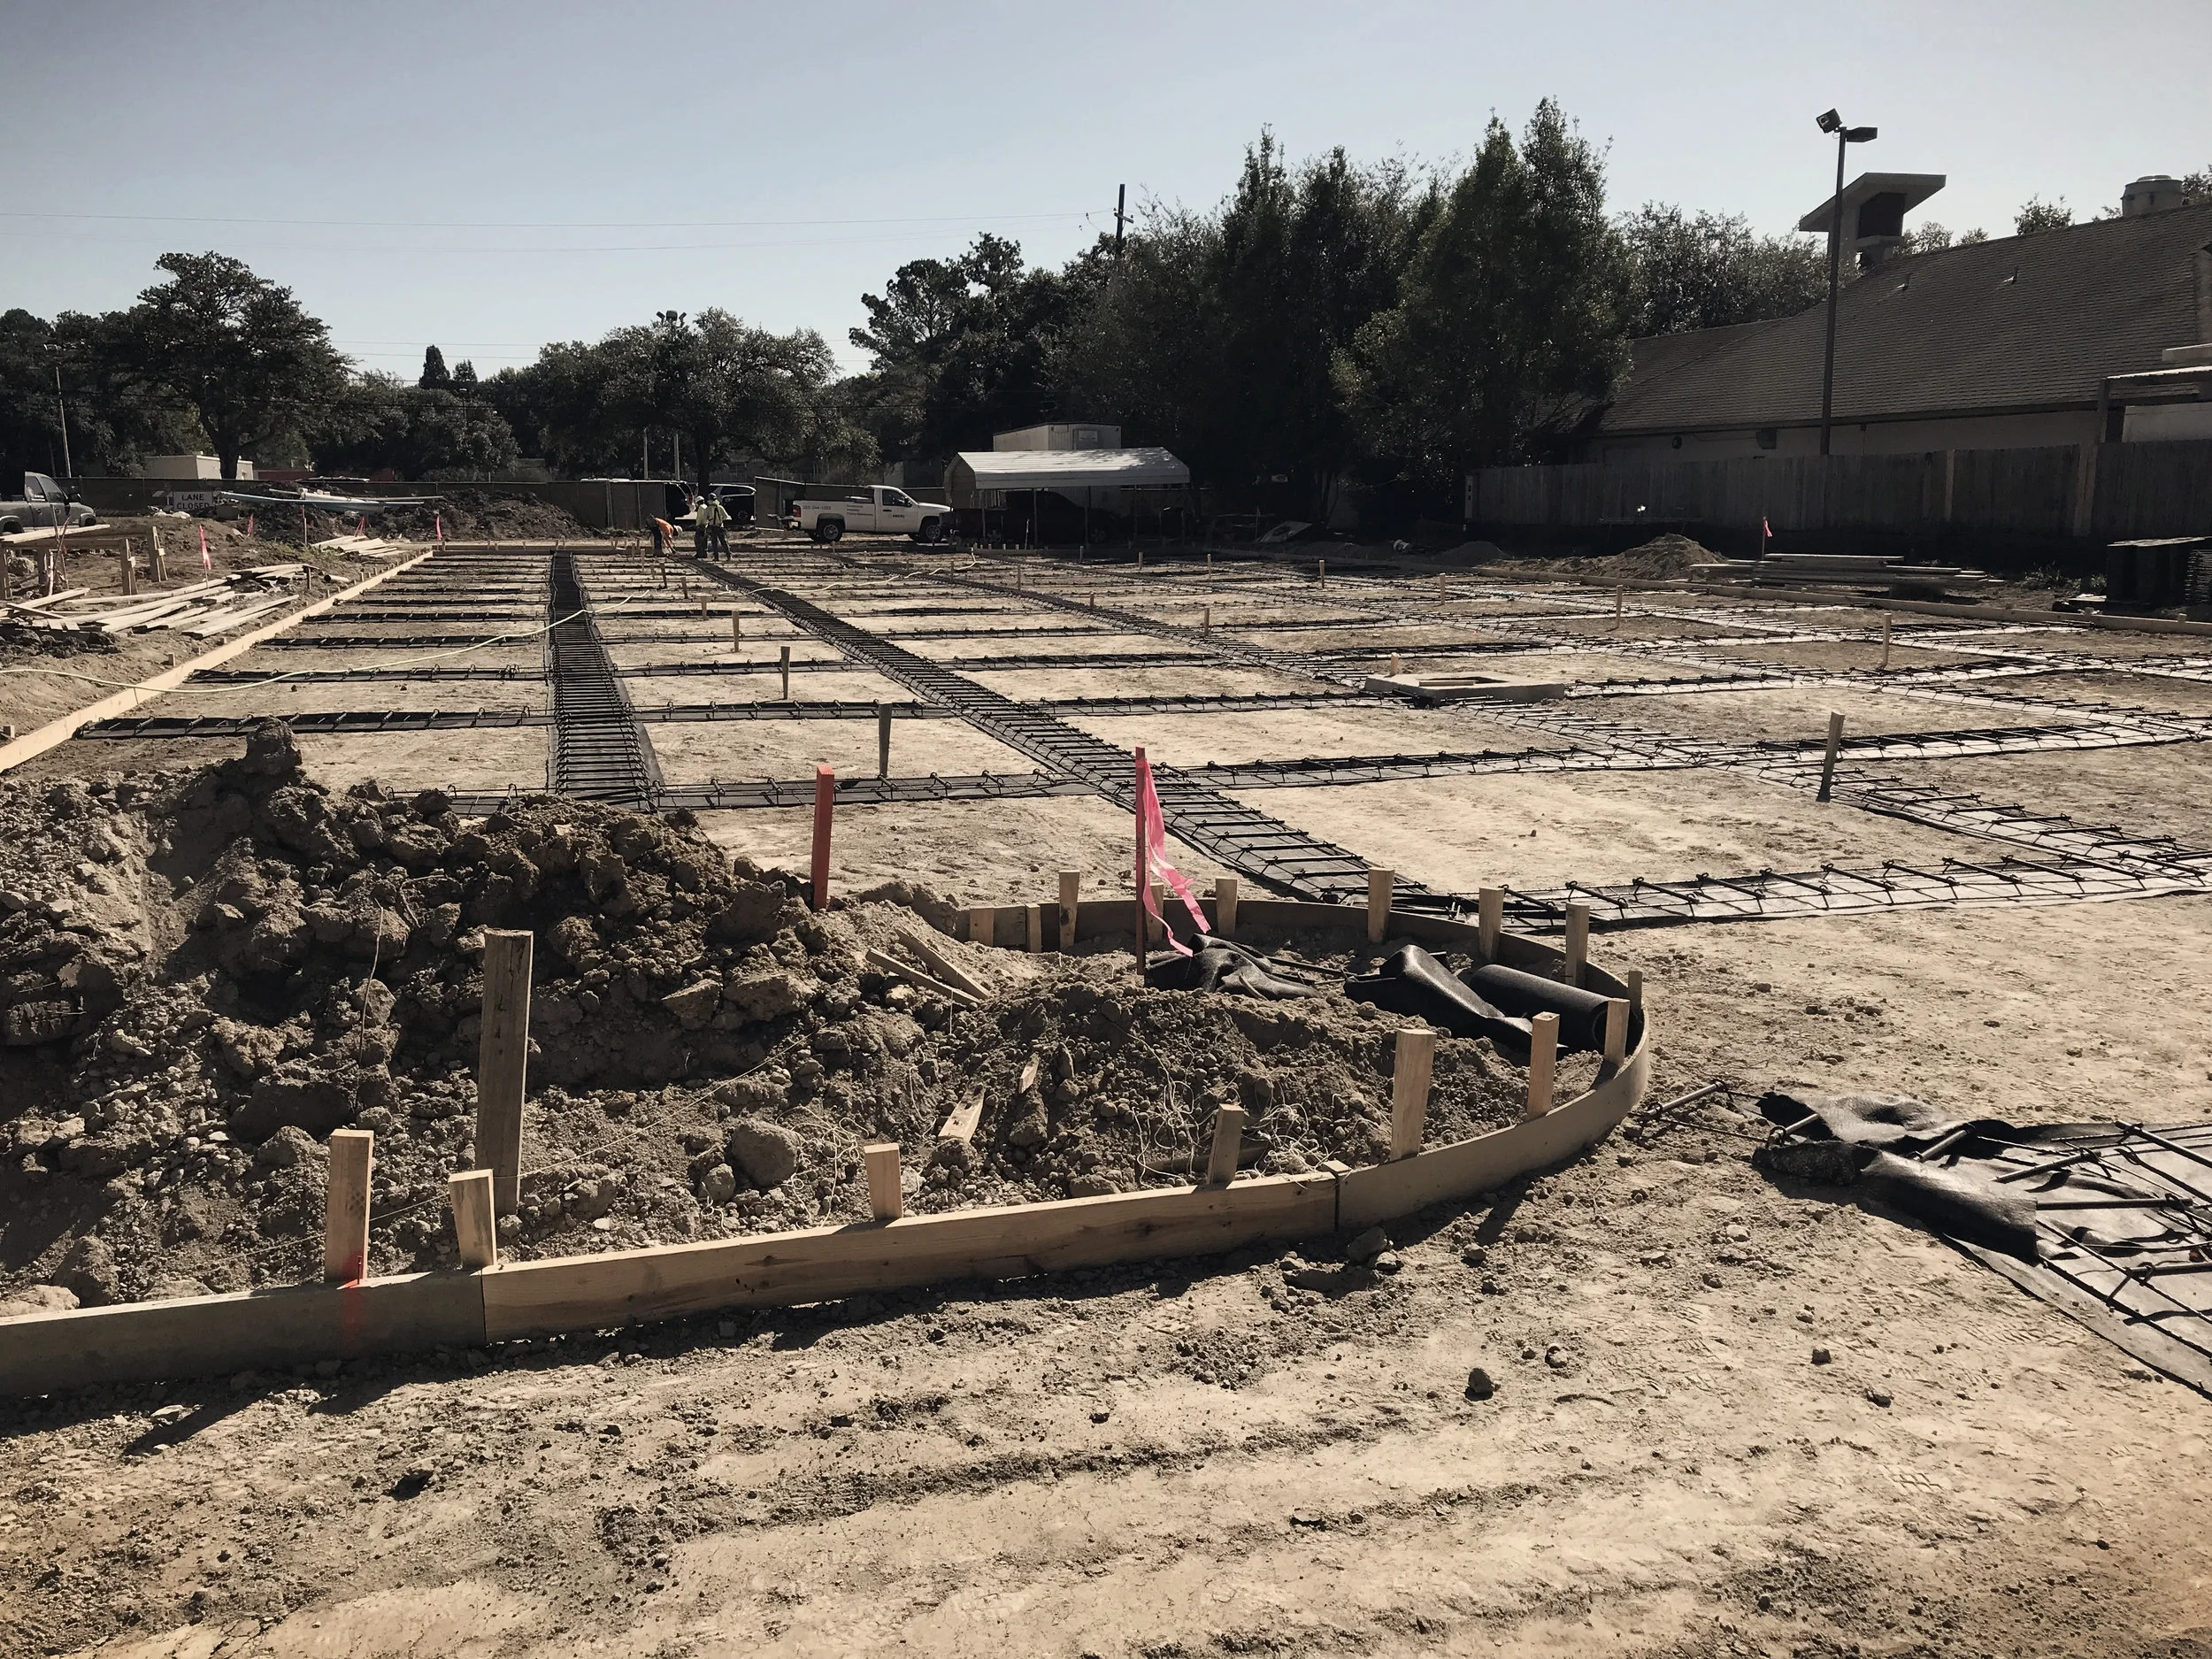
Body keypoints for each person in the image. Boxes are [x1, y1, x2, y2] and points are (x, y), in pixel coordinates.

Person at [697, 490, 731, 559]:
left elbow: (705, 518)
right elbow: (726, 516)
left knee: (714, 543)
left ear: (709, 500)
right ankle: (729, 556)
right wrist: (720, 520)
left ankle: (716, 557)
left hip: (713, 527)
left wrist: (710, 520)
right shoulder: (720, 507)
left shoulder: (708, 508)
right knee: (724, 542)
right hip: (720, 526)